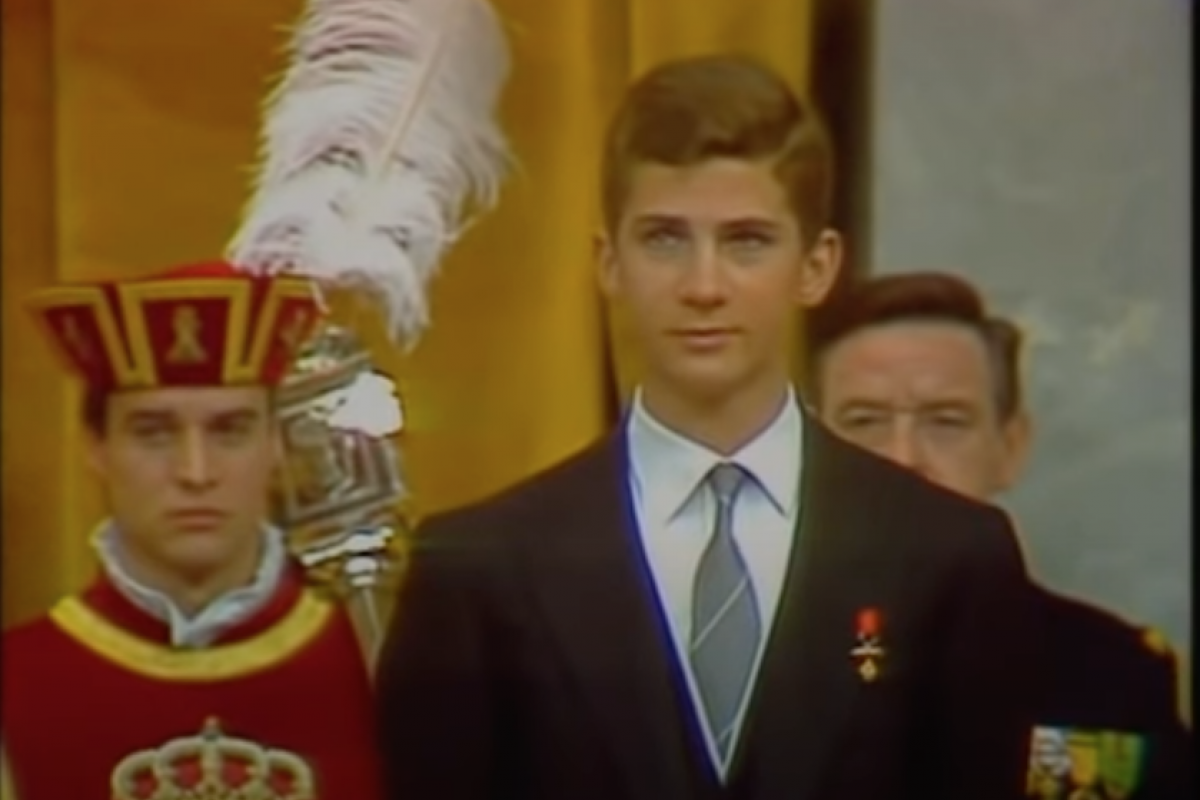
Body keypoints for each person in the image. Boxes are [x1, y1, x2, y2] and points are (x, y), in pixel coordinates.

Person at [375, 54, 1037, 800]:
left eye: (747, 241)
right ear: (609, 262)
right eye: (664, 239)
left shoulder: (948, 557)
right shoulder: (478, 570)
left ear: (816, 266)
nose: (703, 286)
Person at [1, 260, 386, 800]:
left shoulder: (377, 662)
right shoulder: (16, 683)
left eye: (230, 430)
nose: (196, 472)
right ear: (95, 448)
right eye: (154, 433)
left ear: (276, 443)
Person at [808, 270, 1193, 799]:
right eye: (865, 420)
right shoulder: (746, 661)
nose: (904, 458)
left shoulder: (1113, 673)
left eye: (946, 421)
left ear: (1011, 447)